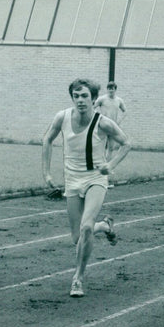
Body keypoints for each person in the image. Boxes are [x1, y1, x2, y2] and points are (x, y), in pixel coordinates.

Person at [42, 79, 131, 297]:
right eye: (76, 96)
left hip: (95, 180)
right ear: (72, 97)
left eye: (84, 96)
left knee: (86, 228)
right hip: (72, 180)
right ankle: (106, 226)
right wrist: (47, 174)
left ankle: (78, 278)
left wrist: (110, 165)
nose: (80, 100)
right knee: (77, 237)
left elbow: (126, 143)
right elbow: (47, 140)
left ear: (93, 99)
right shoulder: (62, 117)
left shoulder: (103, 122)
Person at [94, 81, 127, 164]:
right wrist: (97, 118)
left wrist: (119, 120)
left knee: (111, 148)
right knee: (99, 146)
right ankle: (98, 163)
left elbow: (125, 111)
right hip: (102, 125)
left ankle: (106, 166)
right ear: (107, 89)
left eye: (112, 89)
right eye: (109, 89)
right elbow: (92, 107)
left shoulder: (119, 100)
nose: (110, 91)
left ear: (115, 90)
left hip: (113, 126)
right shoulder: (102, 99)